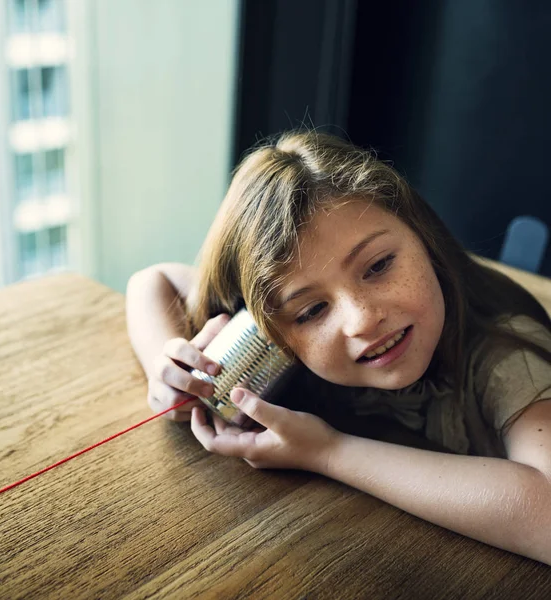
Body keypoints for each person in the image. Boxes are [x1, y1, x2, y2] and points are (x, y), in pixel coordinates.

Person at [126, 131, 551, 564]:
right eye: (311, 310)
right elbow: (152, 281)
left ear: (421, 235)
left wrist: (327, 452)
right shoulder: (281, 337)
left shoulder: (506, 354)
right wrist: (173, 367)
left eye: (379, 265)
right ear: (263, 327)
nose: (362, 318)